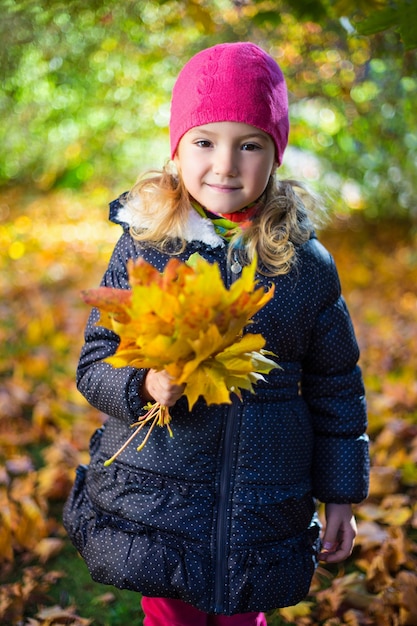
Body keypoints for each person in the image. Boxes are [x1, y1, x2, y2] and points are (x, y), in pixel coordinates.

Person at [63, 42, 369, 625]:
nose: (226, 164)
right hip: (161, 503)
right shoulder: (148, 245)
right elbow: (96, 360)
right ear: (176, 151)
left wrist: (341, 494)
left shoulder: (303, 266)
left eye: (249, 144)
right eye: (205, 141)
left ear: (275, 155)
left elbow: (336, 387)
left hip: (265, 502)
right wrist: (143, 387)